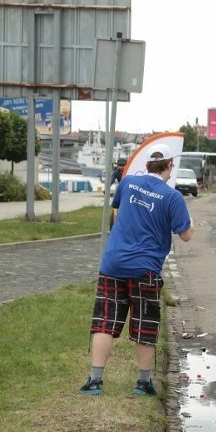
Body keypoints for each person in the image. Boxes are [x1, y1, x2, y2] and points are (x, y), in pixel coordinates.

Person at [80, 143, 195, 396]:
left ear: (147, 164)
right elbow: (185, 234)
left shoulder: (127, 182)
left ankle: (95, 380)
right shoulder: (172, 197)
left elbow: (117, 214)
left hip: (113, 263)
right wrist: (191, 222)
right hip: (145, 269)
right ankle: (143, 383)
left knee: (105, 321)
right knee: (145, 324)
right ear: (169, 166)